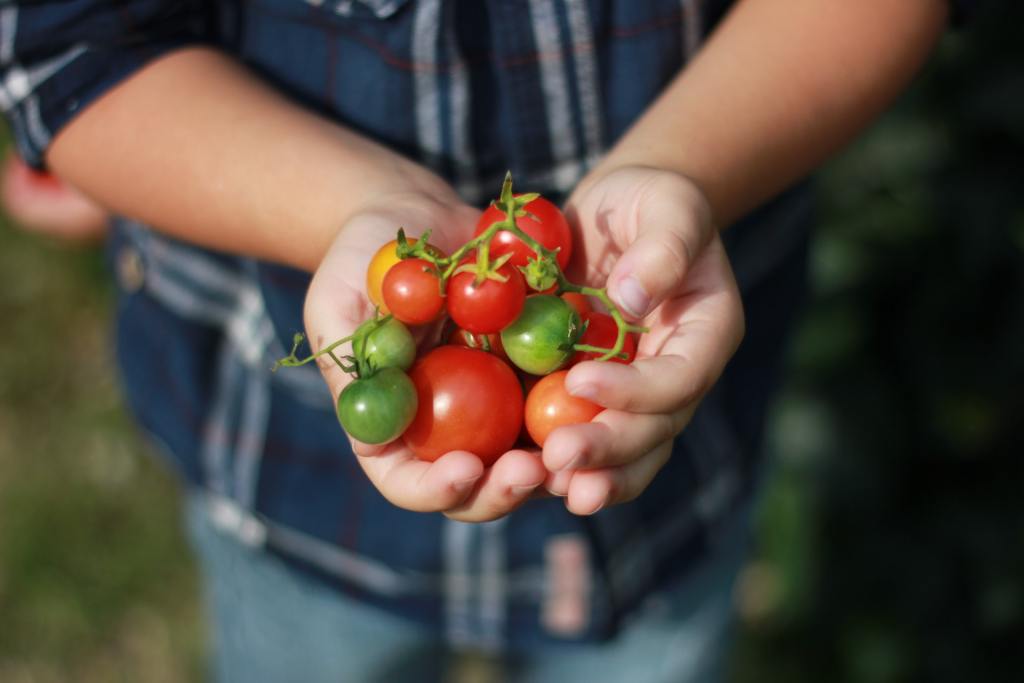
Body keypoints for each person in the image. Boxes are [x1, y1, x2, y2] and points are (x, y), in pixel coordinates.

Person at [0, 1, 974, 681]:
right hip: (295, 489)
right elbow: (66, 55)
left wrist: (683, 170)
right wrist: (357, 207)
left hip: (672, 486)